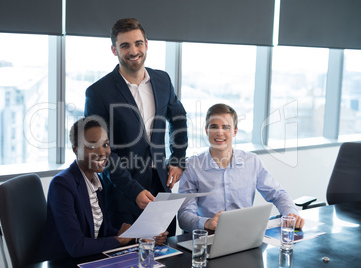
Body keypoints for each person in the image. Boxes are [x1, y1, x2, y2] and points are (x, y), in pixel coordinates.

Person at [84, 18, 188, 235]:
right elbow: (100, 151)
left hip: (161, 187)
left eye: (138, 43)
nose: (134, 51)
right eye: (125, 45)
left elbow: (178, 117)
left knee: (166, 253)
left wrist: (177, 159)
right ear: (114, 50)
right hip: (122, 193)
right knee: (126, 257)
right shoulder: (98, 93)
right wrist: (133, 191)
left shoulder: (162, 80)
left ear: (147, 44)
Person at [41, 117, 167, 260]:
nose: (102, 152)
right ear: (75, 149)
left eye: (105, 145)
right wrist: (120, 239)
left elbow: (102, 232)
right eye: (92, 146)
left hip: (91, 259)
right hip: (66, 262)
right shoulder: (62, 185)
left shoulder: (96, 181)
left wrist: (139, 238)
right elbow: (76, 246)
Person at [178, 103, 305, 233]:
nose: (219, 132)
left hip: (244, 234)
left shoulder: (252, 161)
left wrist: (291, 214)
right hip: (209, 235)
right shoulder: (192, 166)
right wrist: (206, 223)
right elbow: (184, 216)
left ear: (235, 132)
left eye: (226, 127)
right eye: (214, 127)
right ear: (206, 130)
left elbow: (278, 194)